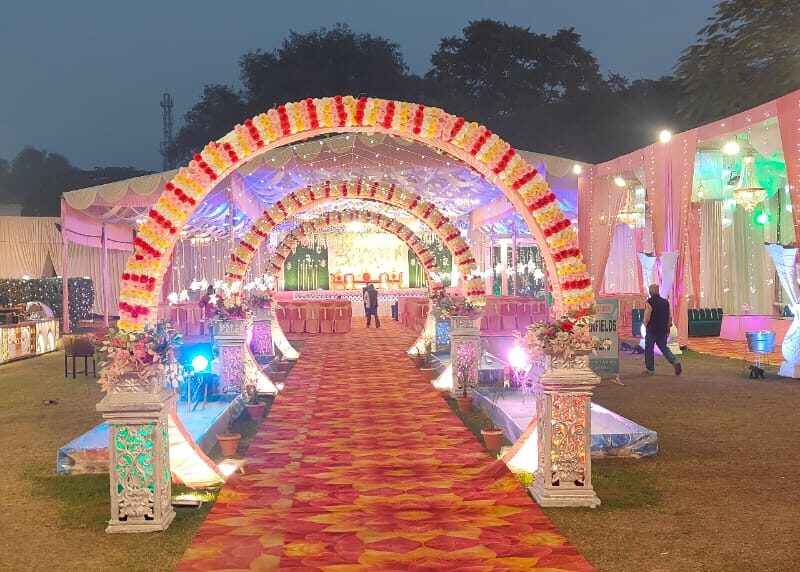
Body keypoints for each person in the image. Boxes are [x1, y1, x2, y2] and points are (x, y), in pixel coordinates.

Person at [643, 283, 682, 376]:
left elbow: (647, 317)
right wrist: (668, 328)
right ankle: (675, 361)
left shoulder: (649, 302)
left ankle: (650, 369)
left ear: (650, 292)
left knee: (649, 348)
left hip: (652, 329)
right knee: (664, 348)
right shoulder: (665, 302)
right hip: (663, 329)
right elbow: (669, 317)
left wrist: (645, 324)